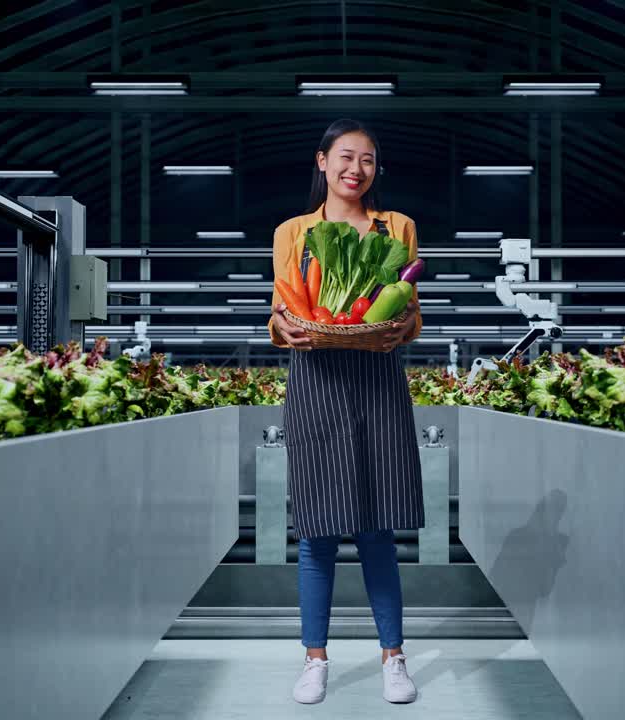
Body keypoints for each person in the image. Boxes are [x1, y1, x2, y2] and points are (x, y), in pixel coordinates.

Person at [267, 119, 424, 705]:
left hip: (378, 377)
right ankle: (315, 659)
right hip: (315, 379)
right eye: (346, 158)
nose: (356, 169)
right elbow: (283, 306)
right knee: (316, 531)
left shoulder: (398, 227)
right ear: (322, 162)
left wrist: (402, 329)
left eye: (368, 160)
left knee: (378, 528)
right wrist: (282, 326)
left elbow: (409, 308)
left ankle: (393, 656)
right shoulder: (293, 231)